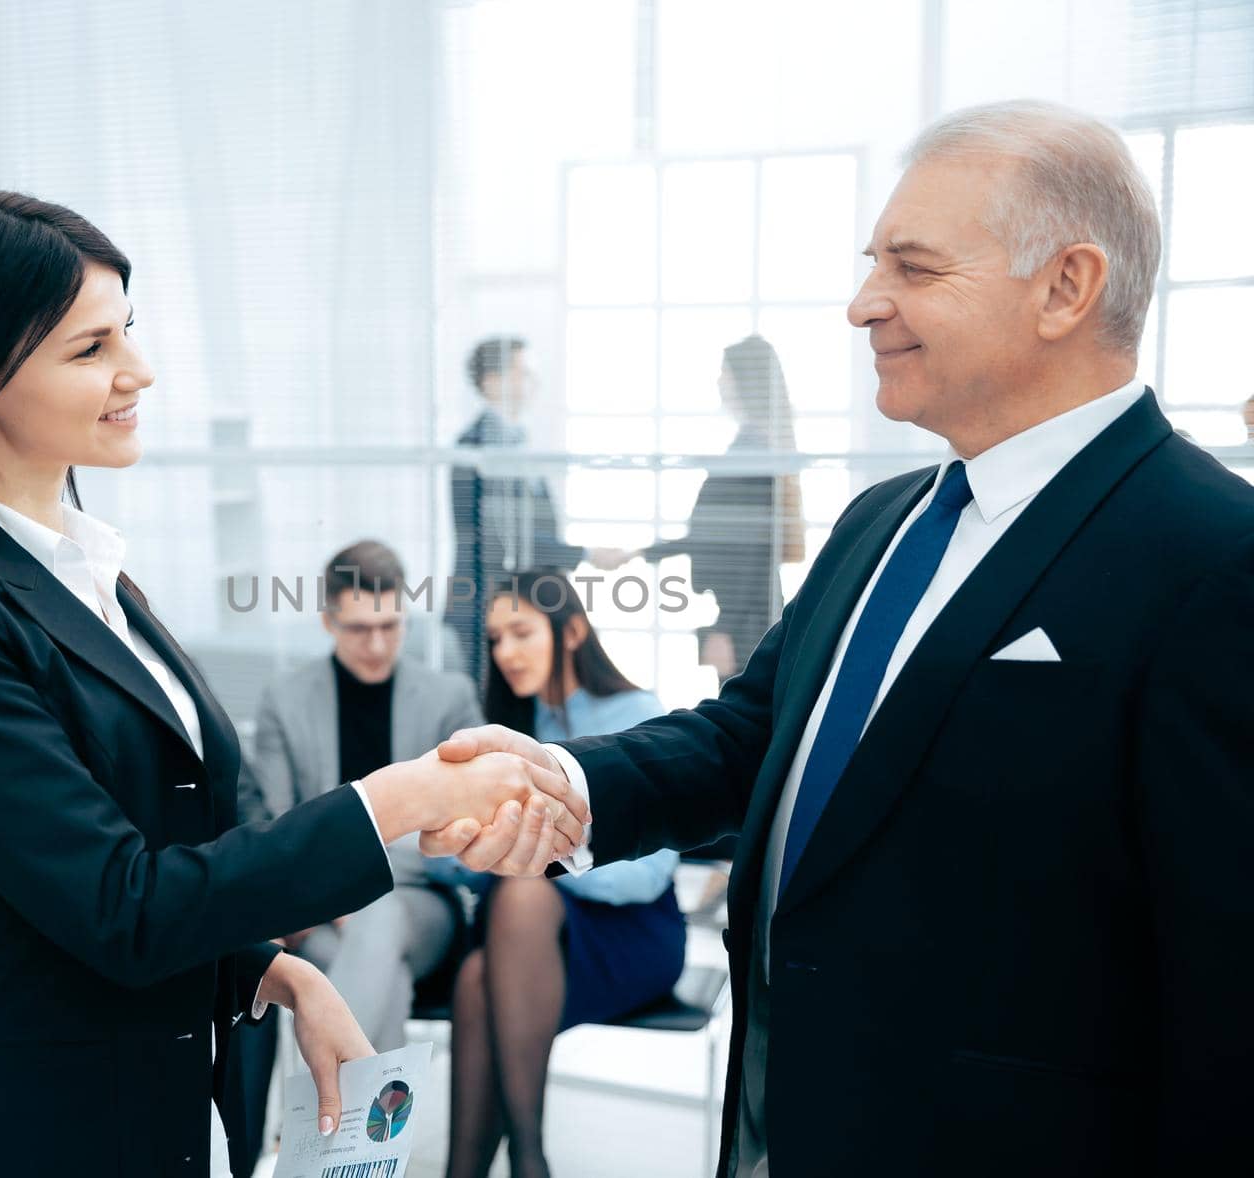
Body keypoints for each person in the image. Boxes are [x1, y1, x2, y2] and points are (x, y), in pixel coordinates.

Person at [425, 101, 1254, 1177]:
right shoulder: (883, 521)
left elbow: (1229, 999)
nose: (865, 304)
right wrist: (564, 784)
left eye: (912, 268)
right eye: (874, 264)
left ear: (1065, 287)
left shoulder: (1210, 557)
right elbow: (750, 737)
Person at [0, 187, 586, 1178]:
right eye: (90, 348)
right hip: (22, 1122)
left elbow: (148, 851)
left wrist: (273, 973)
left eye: (130, 333)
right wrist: (402, 796)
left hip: (151, 1099)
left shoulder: (95, 573)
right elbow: (119, 901)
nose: (137, 371)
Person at [443, 570, 683, 1178]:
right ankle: (483, 1168)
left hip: (633, 934)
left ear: (572, 630)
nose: (506, 652)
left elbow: (646, 879)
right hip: (531, 943)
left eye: (521, 632)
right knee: (476, 978)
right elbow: (482, 874)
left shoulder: (637, 713)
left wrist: (543, 863)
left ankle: (528, 1157)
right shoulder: (512, 730)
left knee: (523, 891)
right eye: (496, 638)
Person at [250, 539, 484, 1046]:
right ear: (328, 622)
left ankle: (319, 1118)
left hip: (422, 909)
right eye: (360, 629)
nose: (377, 645)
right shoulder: (284, 702)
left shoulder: (450, 699)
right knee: (371, 972)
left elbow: (468, 828)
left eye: (390, 626)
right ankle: (360, 1123)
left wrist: (342, 872)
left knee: (377, 919)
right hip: (320, 920)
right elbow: (275, 830)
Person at [448, 337, 627, 682]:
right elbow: (504, 539)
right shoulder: (478, 447)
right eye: (523, 373)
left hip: (519, 599)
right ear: (491, 382)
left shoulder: (514, 442)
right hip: (487, 601)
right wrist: (586, 554)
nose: (533, 384)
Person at [641, 334, 805, 680]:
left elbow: (747, 550)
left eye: (724, 373)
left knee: (742, 719)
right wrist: (642, 552)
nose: (719, 382)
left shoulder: (752, 453)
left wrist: (724, 629)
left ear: (746, 381)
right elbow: (714, 535)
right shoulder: (756, 447)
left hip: (745, 616)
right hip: (748, 610)